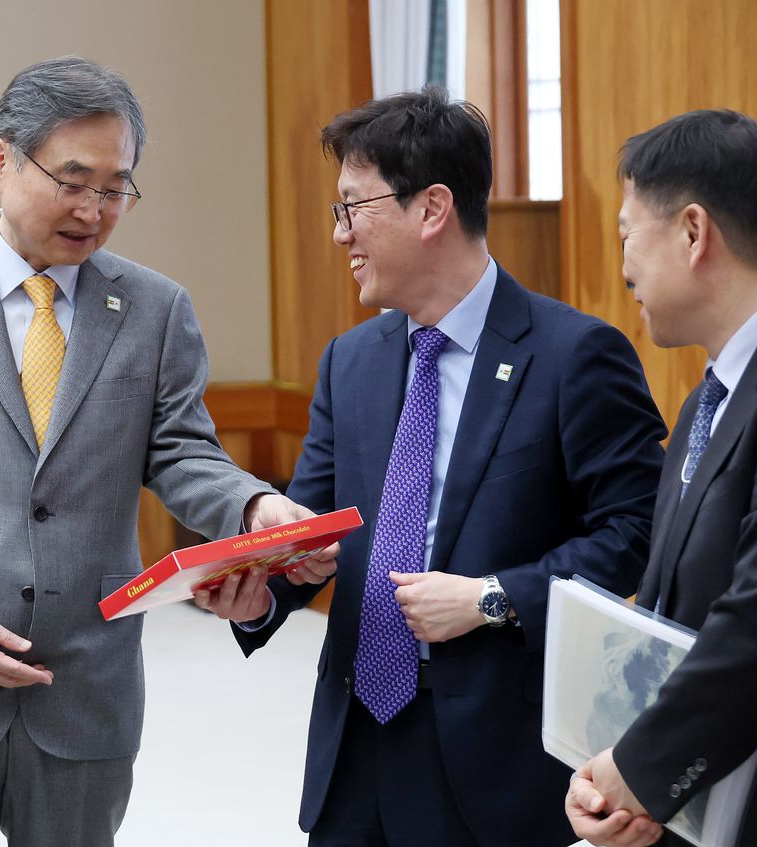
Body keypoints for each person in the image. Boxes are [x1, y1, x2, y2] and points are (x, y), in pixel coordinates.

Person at [0, 55, 329, 847]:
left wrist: (257, 505)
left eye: (115, 185)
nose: (93, 208)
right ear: (0, 160)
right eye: (71, 178)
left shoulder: (156, 309)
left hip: (84, 685)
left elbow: (182, 451)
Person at [197, 85, 666, 846]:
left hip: (494, 761)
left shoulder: (573, 355)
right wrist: (261, 595)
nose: (339, 234)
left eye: (353, 207)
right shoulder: (349, 361)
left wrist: (491, 596)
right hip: (354, 748)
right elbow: (313, 531)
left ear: (431, 208)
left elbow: (635, 531)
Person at [566, 109, 757, 847]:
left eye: (625, 236)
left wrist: (638, 771)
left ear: (690, 231)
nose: (622, 271)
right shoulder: (700, 407)